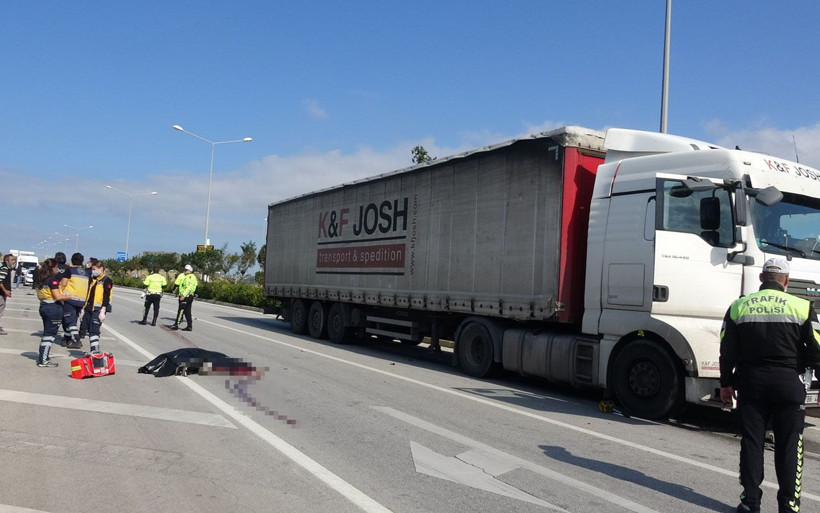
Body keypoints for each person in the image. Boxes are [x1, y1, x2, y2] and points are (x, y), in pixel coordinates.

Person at [720, 256, 820, 513]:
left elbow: (727, 350)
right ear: (785, 281)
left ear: (762, 278)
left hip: (751, 383)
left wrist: (726, 383)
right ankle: (789, 506)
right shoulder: (802, 306)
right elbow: (817, 349)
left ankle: (750, 503)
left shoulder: (738, 306)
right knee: (790, 444)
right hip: (789, 383)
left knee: (752, 443)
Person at [35, 258, 74, 367]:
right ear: (52, 268)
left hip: (44, 305)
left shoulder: (41, 279)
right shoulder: (52, 280)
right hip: (53, 308)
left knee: (46, 333)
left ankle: (44, 356)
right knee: (50, 335)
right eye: (56, 267)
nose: (58, 269)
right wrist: (69, 296)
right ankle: (43, 360)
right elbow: (58, 296)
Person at [81, 259, 113, 354]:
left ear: (101, 269)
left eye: (94, 269)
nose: (93, 271)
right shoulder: (93, 279)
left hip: (98, 310)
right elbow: (88, 294)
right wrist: (83, 308)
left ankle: (95, 351)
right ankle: (94, 351)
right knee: (87, 329)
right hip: (89, 308)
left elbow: (106, 296)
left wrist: (103, 310)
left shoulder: (107, 281)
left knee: (94, 331)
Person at [60, 252, 89, 348]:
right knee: (73, 319)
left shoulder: (69, 271)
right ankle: (66, 339)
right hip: (81, 300)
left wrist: (59, 295)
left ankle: (77, 339)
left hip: (70, 299)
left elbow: (63, 284)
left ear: (72, 260)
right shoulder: (86, 273)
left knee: (70, 321)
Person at [171, 264, 197, 331]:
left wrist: (183, 295)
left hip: (186, 296)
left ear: (190, 270)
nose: (185, 271)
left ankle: (176, 324)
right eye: (185, 270)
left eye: (186, 270)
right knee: (187, 312)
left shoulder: (190, 277)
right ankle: (189, 326)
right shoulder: (187, 276)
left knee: (181, 310)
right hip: (188, 296)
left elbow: (189, 287)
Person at [0, 254, 16, 335]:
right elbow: (0, 281)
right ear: (7, 261)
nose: (14, 261)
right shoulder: (4, 269)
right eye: (12, 260)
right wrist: (5, 291)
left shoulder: (7, 269)